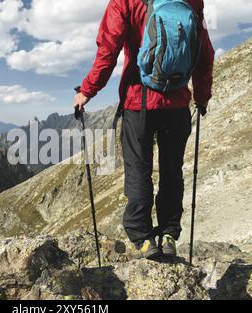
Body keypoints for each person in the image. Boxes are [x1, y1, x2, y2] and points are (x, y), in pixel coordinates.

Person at [73, 0, 214, 259]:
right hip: (178, 103)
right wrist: (202, 96)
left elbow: (109, 48)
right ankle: (169, 233)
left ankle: (143, 238)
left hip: (139, 103)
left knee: (139, 169)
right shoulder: (192, 2)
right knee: (172, 170)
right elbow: (204, 53)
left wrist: (87, 90)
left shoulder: (124, 2)